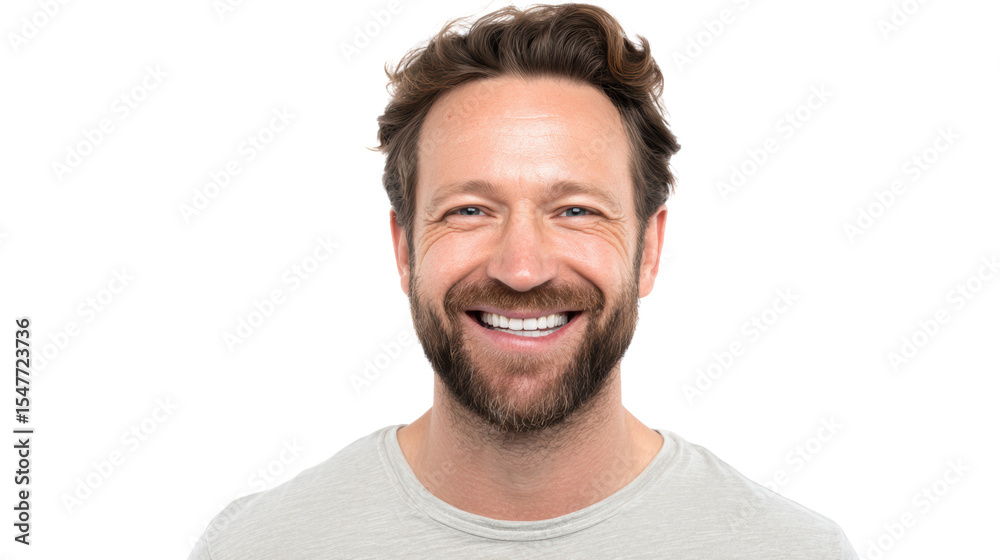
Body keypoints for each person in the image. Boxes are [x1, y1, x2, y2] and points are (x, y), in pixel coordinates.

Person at [189, 4, 858, 558]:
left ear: (649, 249)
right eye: (470, 211)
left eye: (575, 211)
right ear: (404, 249)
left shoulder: (789, 549)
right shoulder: (260, 546)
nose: (522, 268)